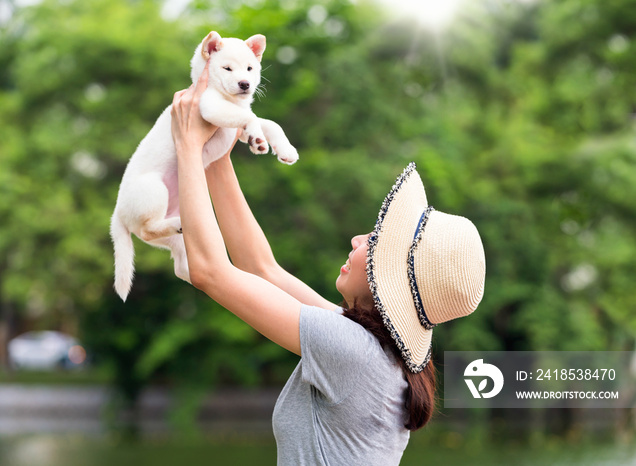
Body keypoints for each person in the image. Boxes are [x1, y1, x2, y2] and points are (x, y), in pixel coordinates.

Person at [170, 65, 486, 465]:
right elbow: (260, 268)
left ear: (384, 279)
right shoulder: (371, 349)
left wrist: (186, 144)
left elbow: (210, 271)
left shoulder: (353, 352)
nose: (357, 239)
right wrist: (214, 156)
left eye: (374, 242)